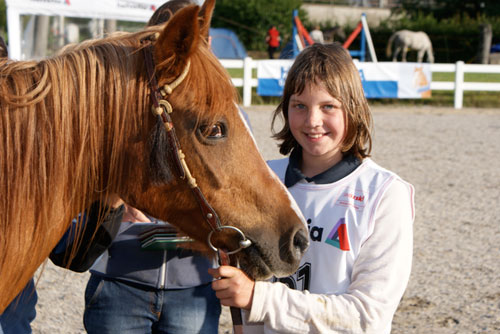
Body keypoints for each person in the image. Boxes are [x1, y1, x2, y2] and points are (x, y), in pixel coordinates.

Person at [209, 43, 415, 333]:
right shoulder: (262, 178)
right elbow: (241, 286)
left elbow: (369, 317)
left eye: (328, 106)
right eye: (300, 106)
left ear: (353, 108)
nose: (312, 121)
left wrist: (259, 298)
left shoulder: (385, 194)